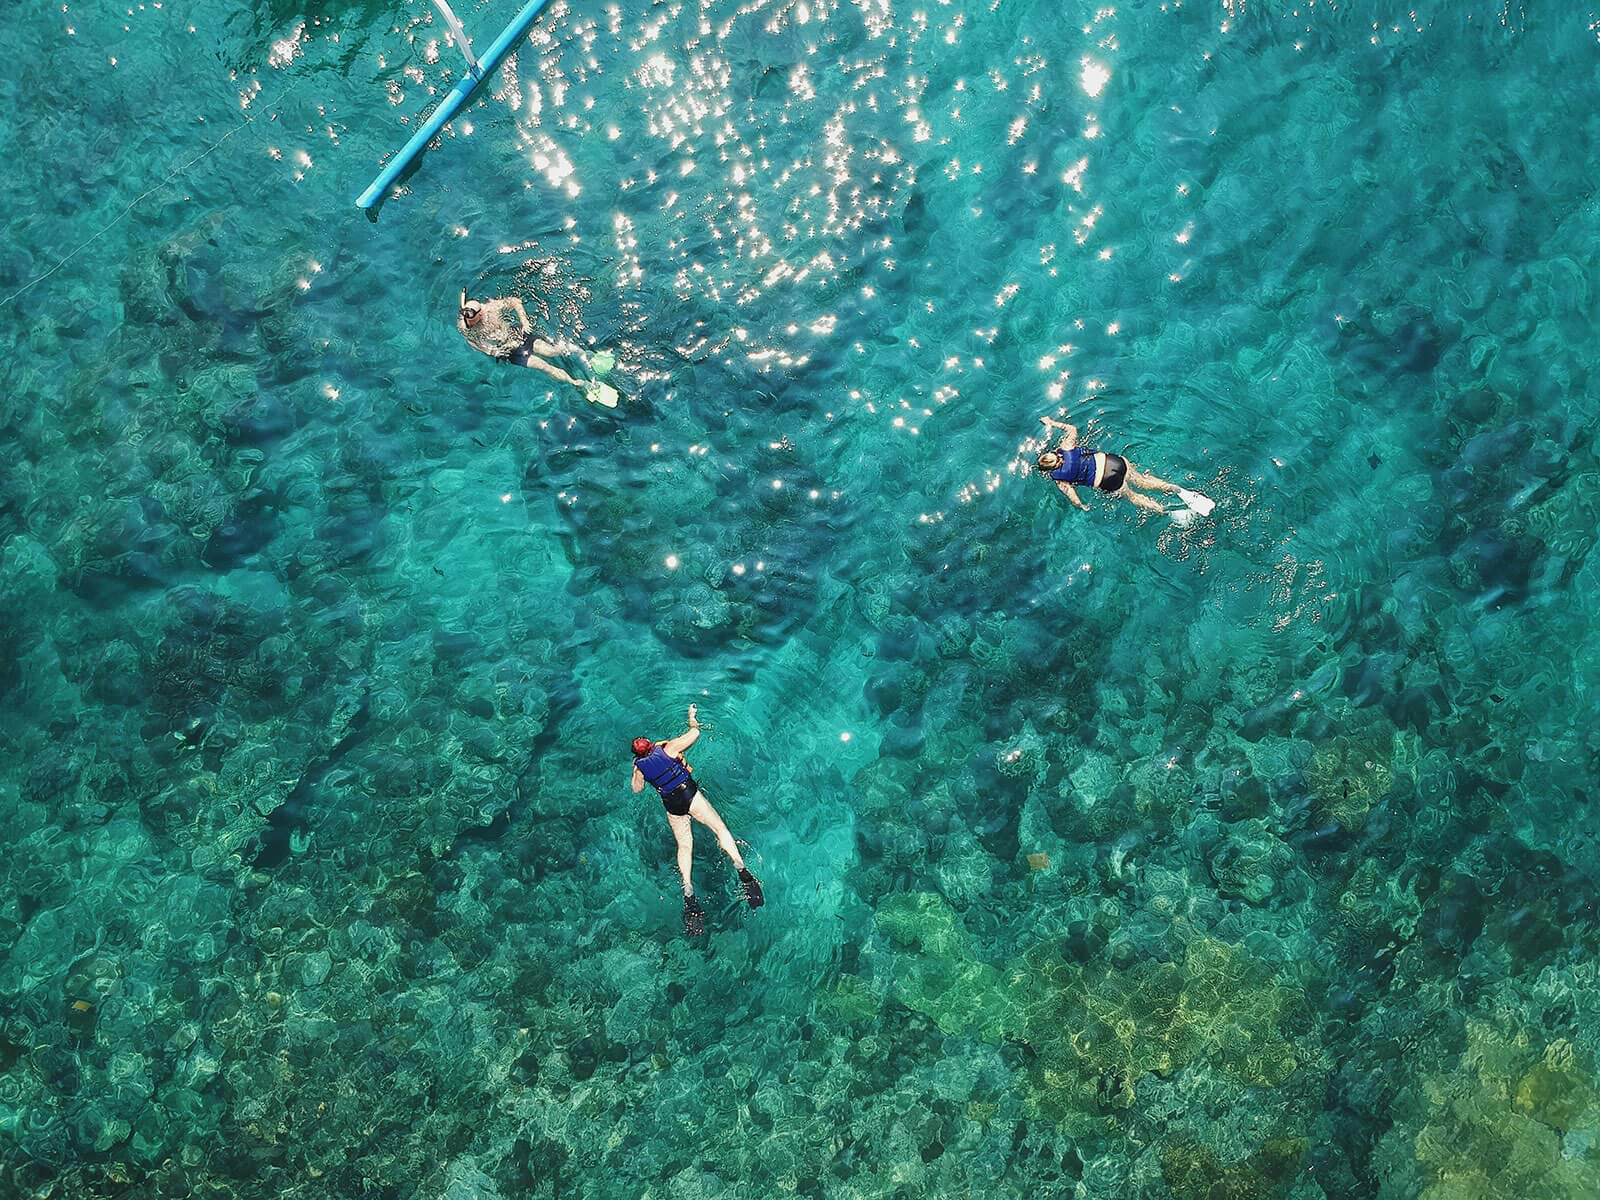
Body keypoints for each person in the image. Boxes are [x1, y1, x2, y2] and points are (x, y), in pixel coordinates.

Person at [630, 704, 764, 935]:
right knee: (720, 829)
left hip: (672, 804)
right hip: (689, 795)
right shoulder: (669, 749)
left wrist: (636, 770)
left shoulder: (640, 767)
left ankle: (689, 890)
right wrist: (692, 717)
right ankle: (740, 867)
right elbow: (695, 734)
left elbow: (637, 789)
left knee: (684, 845)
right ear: (652, 745)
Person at [457, 290, 618, 407]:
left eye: (471, 319)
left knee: (553, 351)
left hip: (518, 334)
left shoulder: (492, 309)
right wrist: (489, 351)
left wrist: (524, 321)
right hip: (508, 351)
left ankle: (587, 354)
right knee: (544, 366)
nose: (468, 323)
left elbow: (515, 301)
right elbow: (470, 341)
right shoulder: (464, 325)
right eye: (466, 319)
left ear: (480, 314)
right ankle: (580, 383)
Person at [1035, 415, 1211, 518]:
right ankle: (1176, 489)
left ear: (1050, 469)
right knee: (1142, 480)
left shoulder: (1059, 479)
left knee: (1134, 497)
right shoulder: (1065, 447)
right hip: (1115, 462)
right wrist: (1051, 422)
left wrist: (1082, 507)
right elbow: (1071, 428)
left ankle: (1167, 512)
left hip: (1108, 481)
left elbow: (1073, 497)